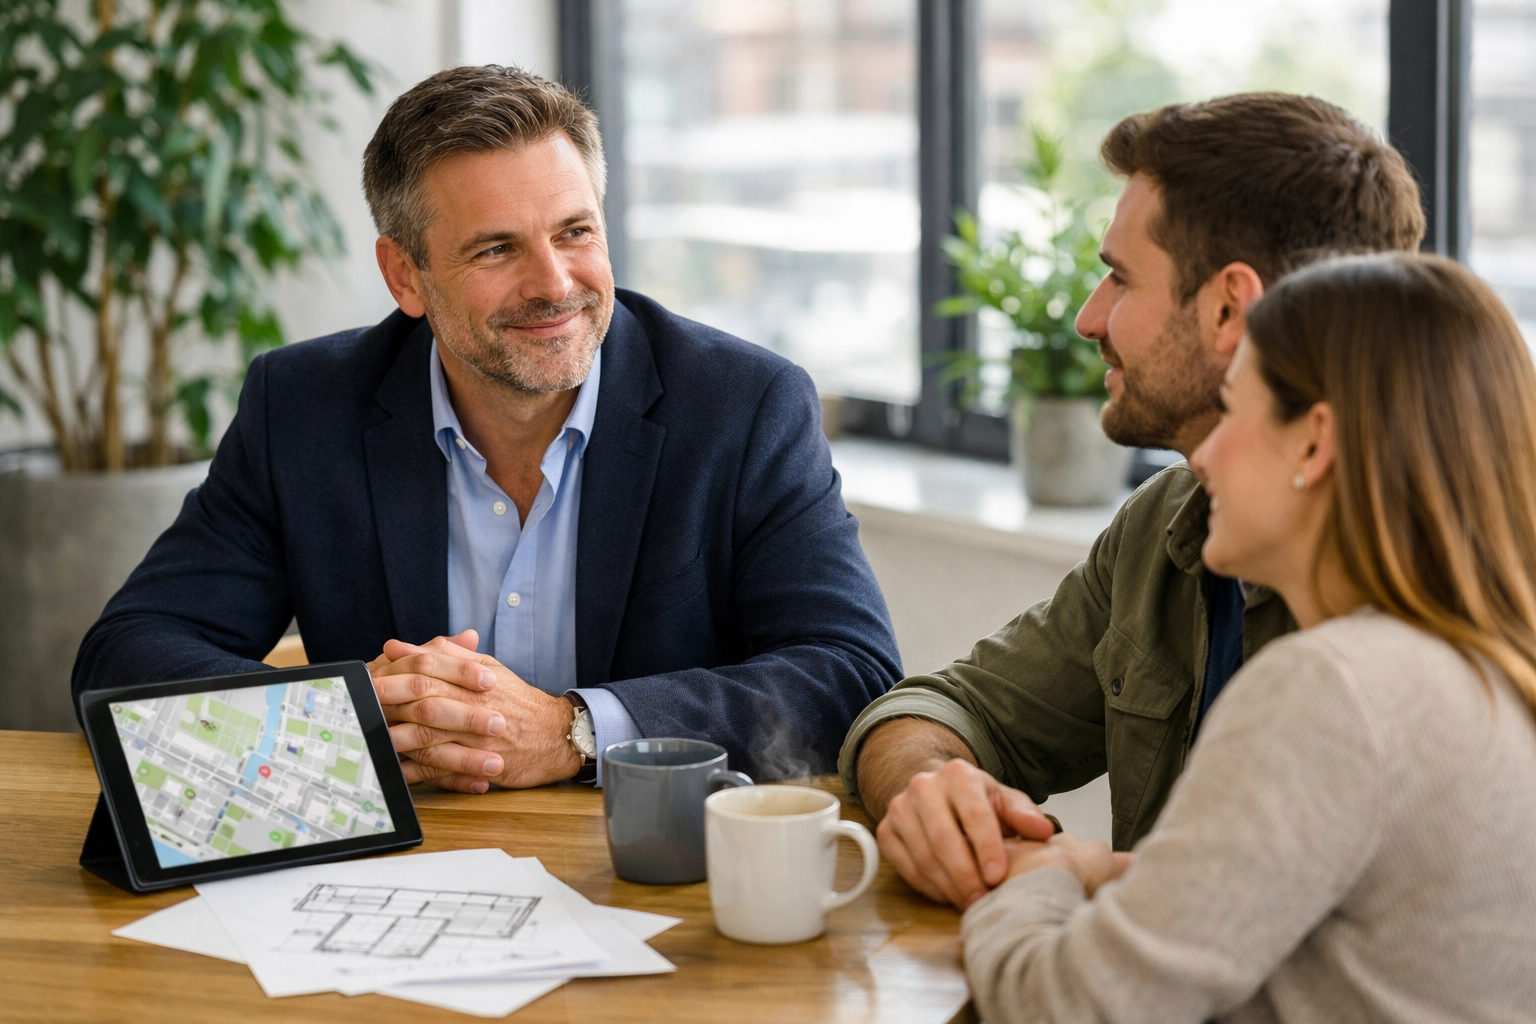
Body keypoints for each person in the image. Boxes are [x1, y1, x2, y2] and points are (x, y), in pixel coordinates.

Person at [71, 65, 902, 789]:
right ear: (406, 275)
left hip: (649, 877)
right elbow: (126, 654)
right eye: (497, 250)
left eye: (575, 233)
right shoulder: (303, 408)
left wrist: (576, 731)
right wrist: (350, 713)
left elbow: (849, 676)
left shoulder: (743, 406)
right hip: (393, 878)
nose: (554, 284)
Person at [838, 92, 1426, 909]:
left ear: (1230, 307)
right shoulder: (1167, 522)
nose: (1087, 317)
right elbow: (945, 707)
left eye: (1119, 277)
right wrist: (933, 792)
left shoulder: (1424, 598)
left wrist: (1069, 883)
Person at [961, 251, 1536, 1023]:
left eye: (1232, 410)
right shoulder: (1475, 667)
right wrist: (1109, 872)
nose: (1203, 454)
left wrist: (1044, 874)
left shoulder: (1333, 687)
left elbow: (1067, 1005)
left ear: (1313, 443)